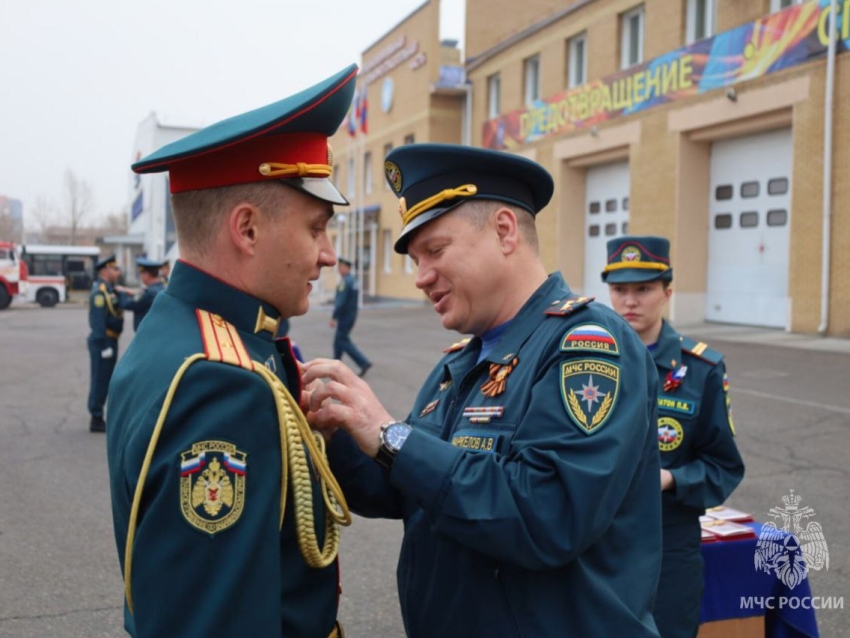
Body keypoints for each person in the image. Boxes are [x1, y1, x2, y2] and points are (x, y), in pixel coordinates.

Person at [302, 144, 663, 637]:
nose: (421, 277)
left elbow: (548, 516)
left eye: (435, 250)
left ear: (504, 231)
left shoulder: (587, 346)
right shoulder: (463, 360)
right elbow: (404, 485)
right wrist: (336, 433)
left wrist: (390, 436)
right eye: (414, 259)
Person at [105, 64, 358, 638]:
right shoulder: (221, 381)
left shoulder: (187, 332)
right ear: (246, 230)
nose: (328, 256)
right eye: (317, 228)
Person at [602, 235, 745, 638]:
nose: (630, 301)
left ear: (667, 292)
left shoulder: (701, 369)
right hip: (595, 541)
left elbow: (723, 467)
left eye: (643, 289)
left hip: (667, 546)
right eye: (619, 290)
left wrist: (671, 479)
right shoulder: (589, 359)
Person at [87, 254, 124, 433]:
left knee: (105, 379)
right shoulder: (99, 293)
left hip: (111, 339)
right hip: (103, 341)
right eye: (114, 268)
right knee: (100, 379)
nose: (117, 272)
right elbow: (98, 322)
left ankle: (98, 414)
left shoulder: (110, 289)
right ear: (104, 270)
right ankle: (96, 417)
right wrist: (103, 346)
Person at [330, 256, 371, 376]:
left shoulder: (345, 282)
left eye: (340, 267)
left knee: (342, 340)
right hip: (352, 315)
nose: (339, 269)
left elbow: (340, 302)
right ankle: (334, 365)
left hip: (344, 316)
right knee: (338, 341)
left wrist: (334, 317)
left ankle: (363, 362)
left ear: (346, 268)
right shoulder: (354, 280)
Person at [116, 257, 166, 331]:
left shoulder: (149, 293)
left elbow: (127, 304)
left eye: (141, 273)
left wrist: (122, 292)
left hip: (147, 334)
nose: (140, 276)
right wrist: (130, 292)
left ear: (146, 274)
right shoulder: (161, 288)